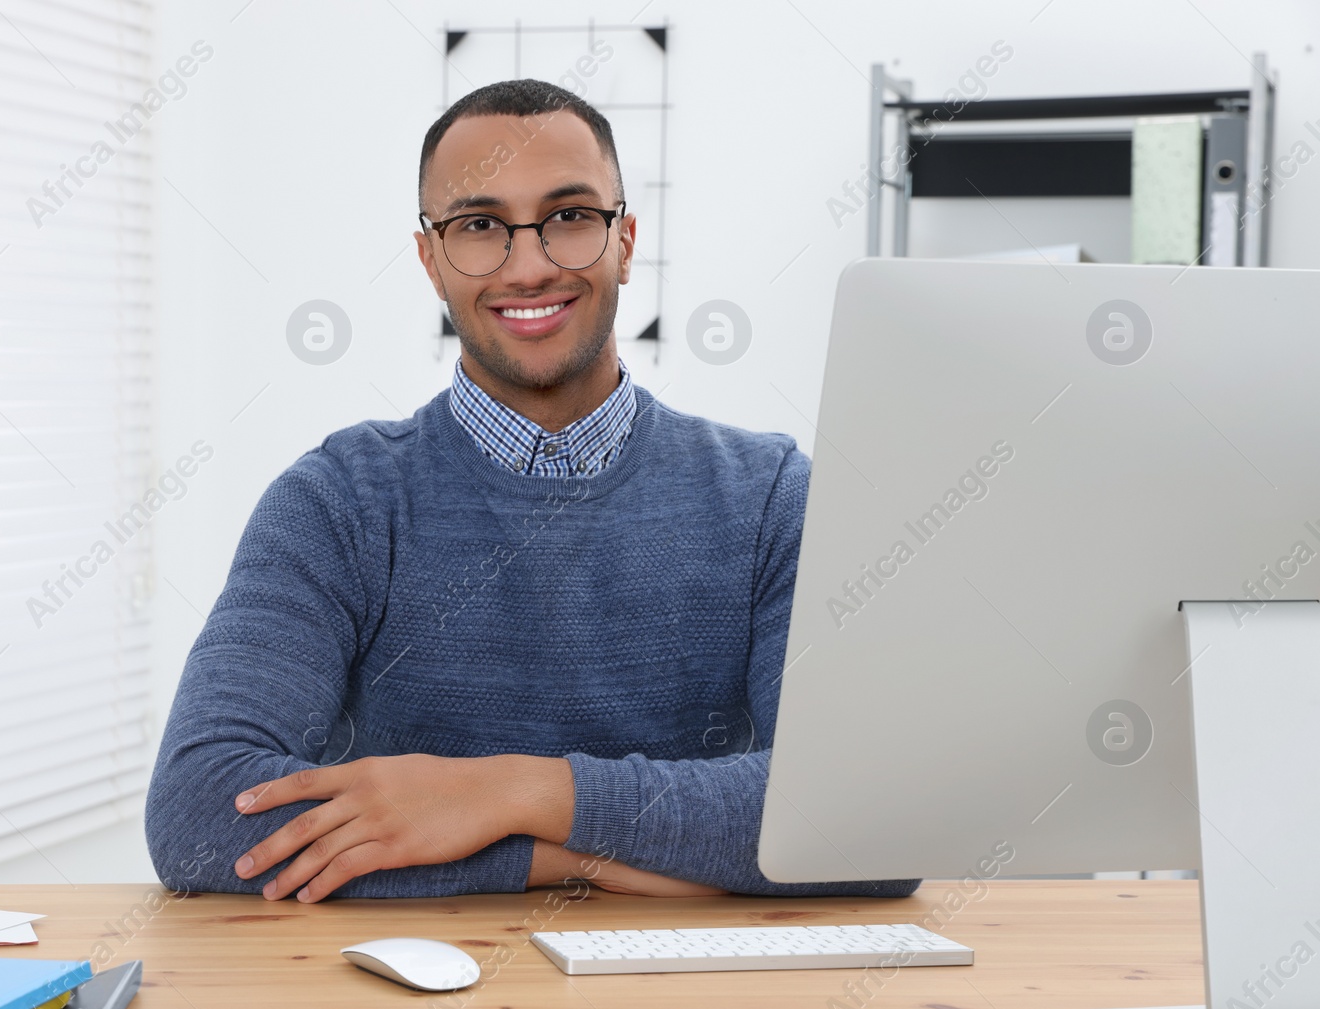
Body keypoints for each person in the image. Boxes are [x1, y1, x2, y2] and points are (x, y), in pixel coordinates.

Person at [144, 78, 919, 904]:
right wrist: (566, 861)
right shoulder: (338, 504)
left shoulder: (770, 497)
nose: (530, 264)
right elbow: (201, 813)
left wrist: (516, 793)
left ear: (624, 240)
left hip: (694, 1007)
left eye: (570, 217)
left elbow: (870, 822)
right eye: (479, 226)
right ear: (431, 261)